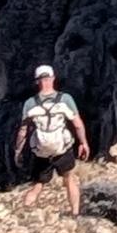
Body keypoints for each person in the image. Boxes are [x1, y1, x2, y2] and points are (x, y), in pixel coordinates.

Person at [14, 63, 93, 214]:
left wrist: (18, 151)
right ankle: (75, 214)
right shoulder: (65, 99)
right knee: (69, 178)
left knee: (38, 184)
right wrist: (83, 143)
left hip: (41, 150)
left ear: (37, 81)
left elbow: (22, 131)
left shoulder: (30, 103)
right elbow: (77, 124)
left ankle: (25, 212)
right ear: (53, 78)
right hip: (62, 147)